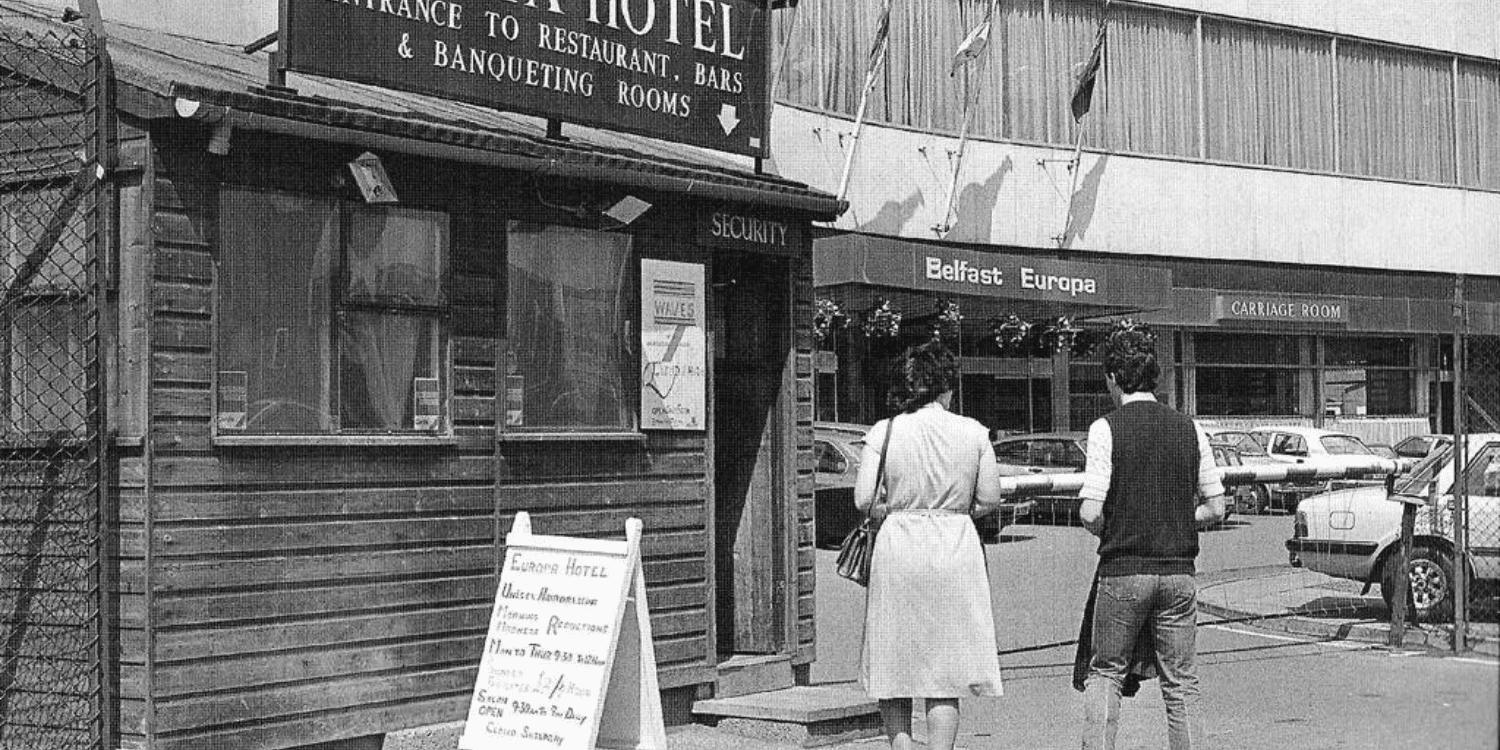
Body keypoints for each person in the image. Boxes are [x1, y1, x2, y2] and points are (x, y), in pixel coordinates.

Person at [1075, 324, 1225, 750]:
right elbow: (1217, 506)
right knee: (1181, 684)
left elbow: (1089, 512)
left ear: (1111, 377)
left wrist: (1121, 524)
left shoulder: (1106, 428)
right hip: (1179, 574)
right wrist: (1175, 519)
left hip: (1124, 572)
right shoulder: (1190, 428)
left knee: (1105, 673)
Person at [853, 341, 1005, 750]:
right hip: (954, 544)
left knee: (895, 656)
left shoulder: (884, 432)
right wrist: (954, 510)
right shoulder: (973, 432)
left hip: (899, 544)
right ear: (947, 387)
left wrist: (899, 508)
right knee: (944, 668)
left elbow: (863, 499)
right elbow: (990, 498)